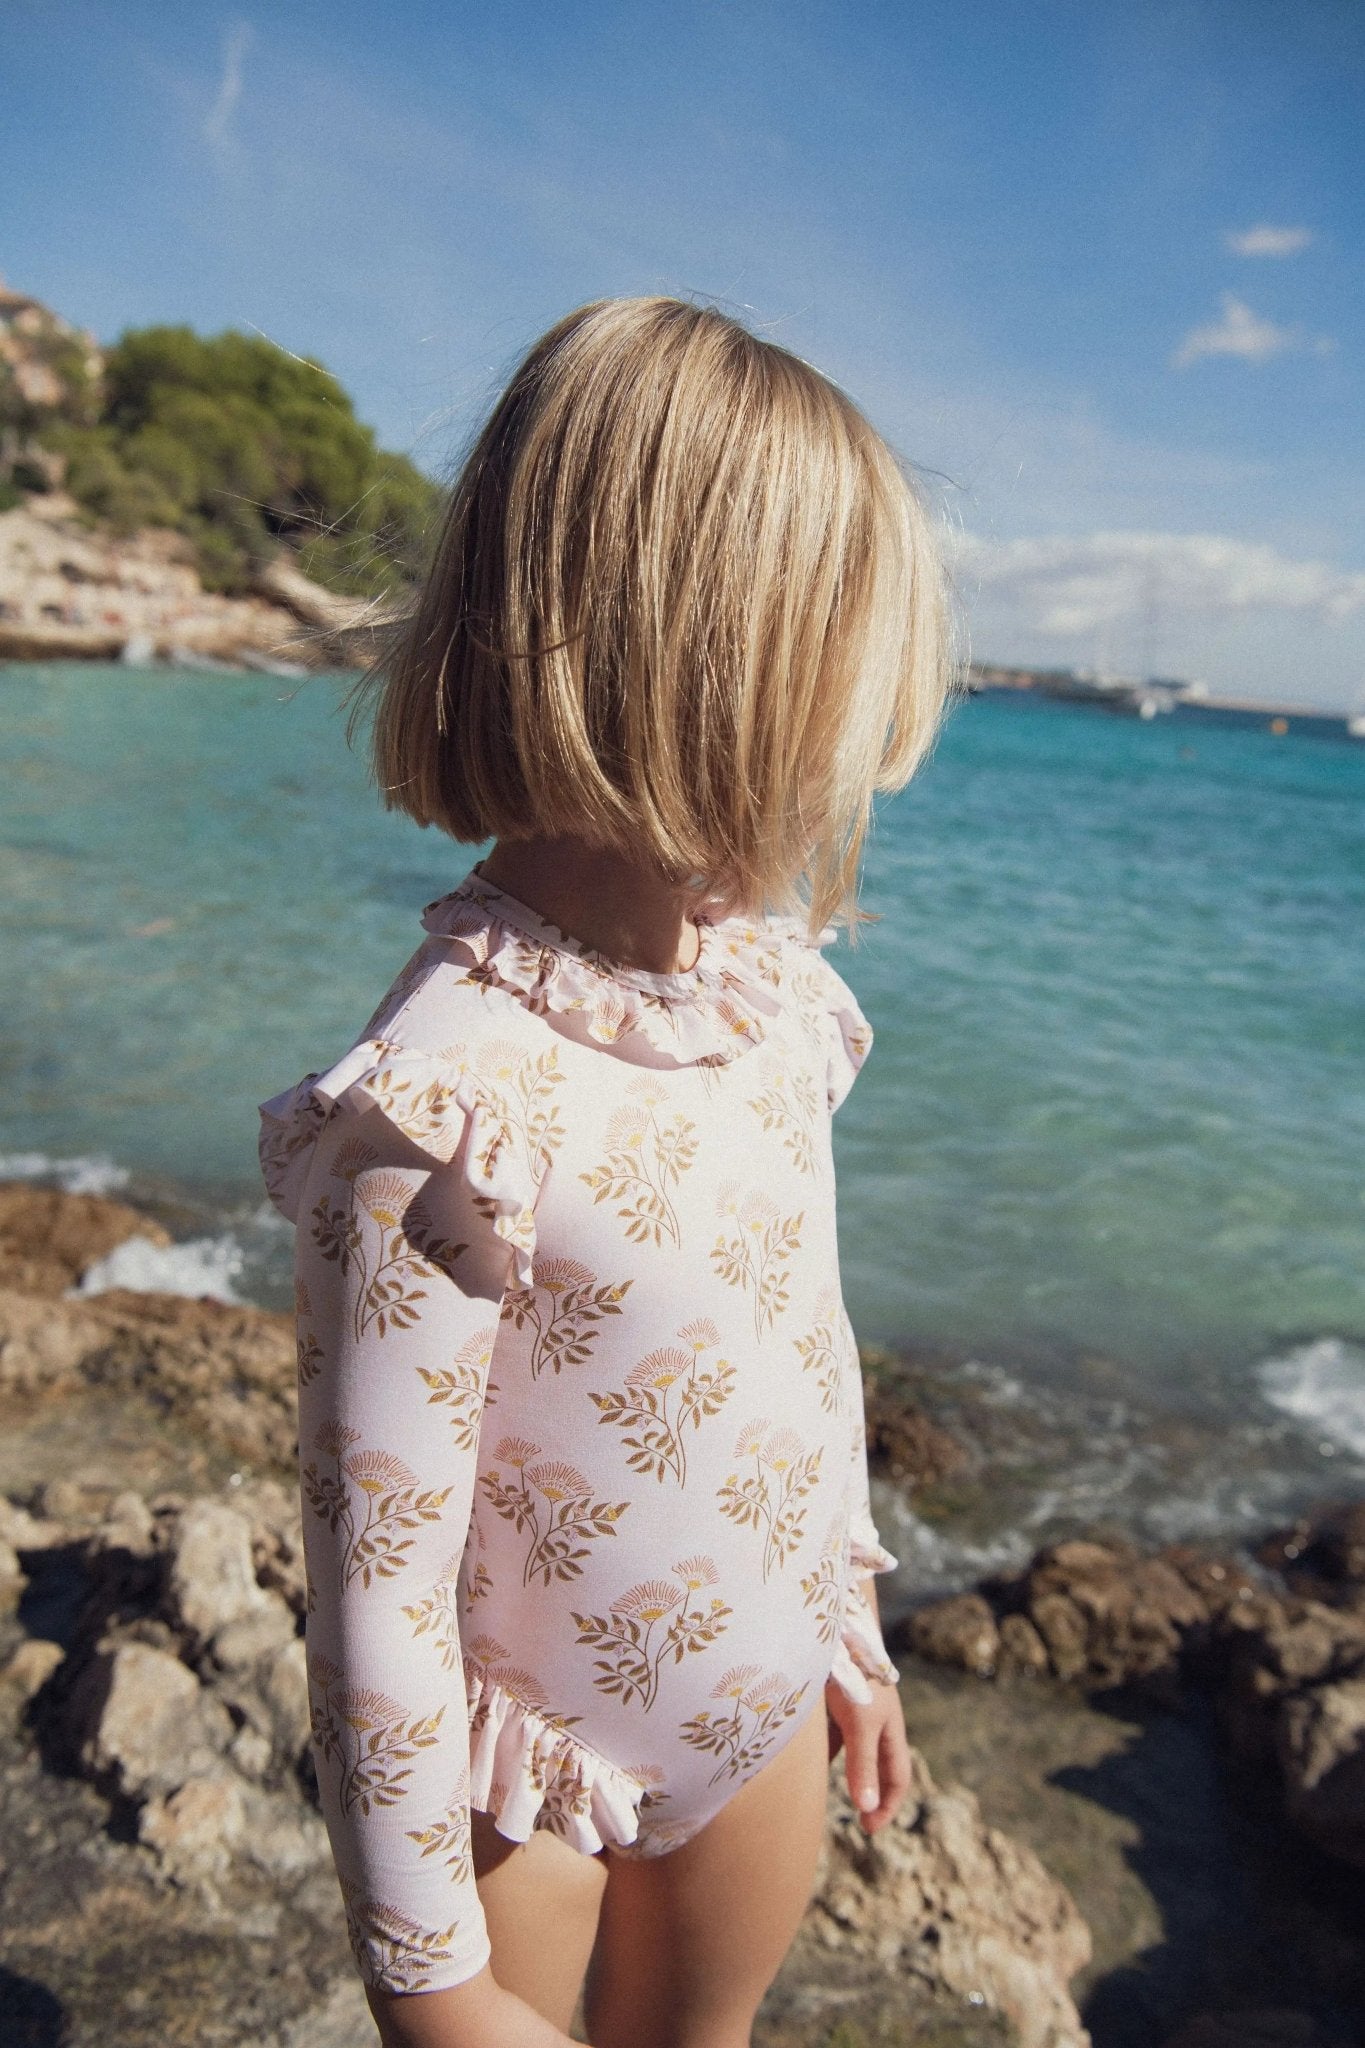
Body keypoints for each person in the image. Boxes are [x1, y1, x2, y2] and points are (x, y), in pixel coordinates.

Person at [259, 296, 959, 2048]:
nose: (844, 765)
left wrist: (850, 1618)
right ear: (713, 673)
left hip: (764, 1702)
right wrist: (431, 1996)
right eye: (839, 694)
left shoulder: (767, 1005)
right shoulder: (447, 1098)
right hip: (533, 1776)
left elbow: (805, 1345)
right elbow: (381, 1606)